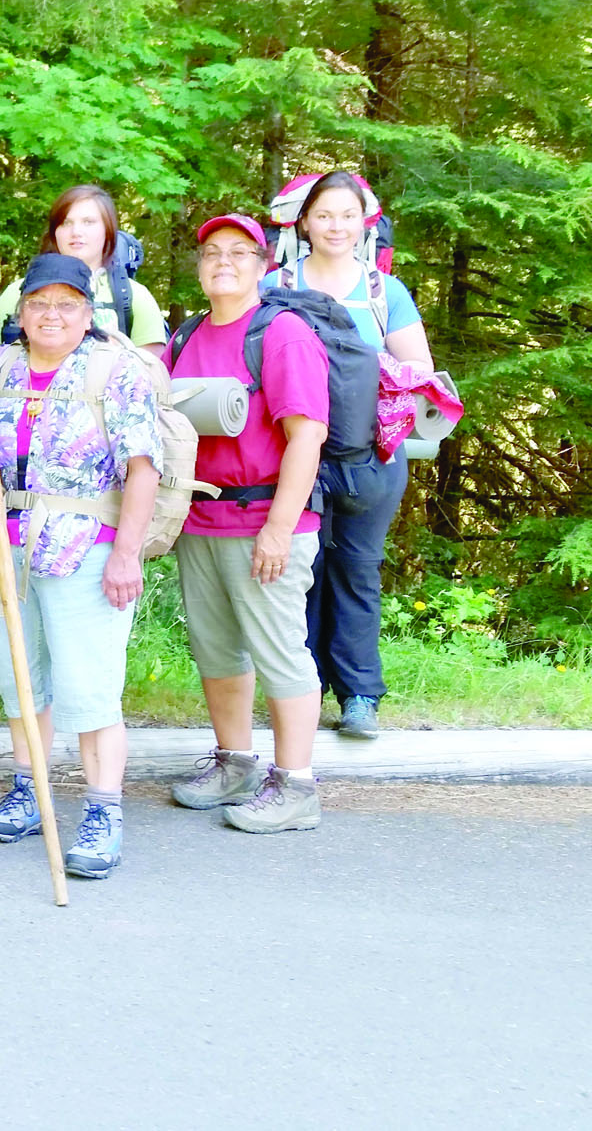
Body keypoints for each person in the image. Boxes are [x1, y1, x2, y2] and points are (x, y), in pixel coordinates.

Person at [0, 254, 163, 876]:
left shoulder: (117, 371)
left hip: (89, 549)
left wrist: (128, 554)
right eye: (38, 304)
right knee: (22, 680)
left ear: (88, 314)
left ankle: (102, 810)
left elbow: (143, 468)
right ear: (21, 312)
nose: (50, 315)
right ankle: (29, 788)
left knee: (90, 689)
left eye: (66, 305)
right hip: (7, 548)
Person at [166, 213, 329, 833]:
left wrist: (280, 528)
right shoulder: (188, 335)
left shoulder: (281, 334)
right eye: (212, 253)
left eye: (239, 253)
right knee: (217, 649)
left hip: (265, 517)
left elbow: (306, 436)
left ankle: (296, 786)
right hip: (201, 518)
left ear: (263, 267)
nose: (223, 262)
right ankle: (234, 764)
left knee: (280, 651)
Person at [267, 171, 431, 739]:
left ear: (365, 222)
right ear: (304, 221)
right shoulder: (276, 285)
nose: (336, 225)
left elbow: (420, 375)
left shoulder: (386, 291)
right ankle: (302, 694)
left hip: (370, 460)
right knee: (298, 574)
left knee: (358, 573)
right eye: (324, 214)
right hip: (291, 457)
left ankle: (360, 695)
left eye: (347, 214)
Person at [0, 185, 167, 349]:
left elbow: (152, 376)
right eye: (66, 222)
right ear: (54, 232)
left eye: (88, 222)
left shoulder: (136, 298)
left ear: (108, 230)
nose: (76, 232)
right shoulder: (17, 293)